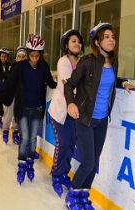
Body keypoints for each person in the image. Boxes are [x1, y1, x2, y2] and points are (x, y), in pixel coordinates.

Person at [64, 22, 135, 210]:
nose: (111, 40)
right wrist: (70, 103)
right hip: (85, 118)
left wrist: (124, 82)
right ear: (96, 42)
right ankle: (73, 194)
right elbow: (69, 85)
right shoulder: (86, 62)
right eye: (106, 37)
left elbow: (109, 80)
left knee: (94, 163)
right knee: (88, 162)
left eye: (113, 36)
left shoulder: (114, 61)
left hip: (102, 120)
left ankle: (83, 195)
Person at [0, 34, 57, 185]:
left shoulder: (44, 67)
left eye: (37, 55)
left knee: (32, 139)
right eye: (31, 55)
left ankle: (30, 163)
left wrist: (62, 83)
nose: (34, 58)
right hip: (24, 109)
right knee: (25, 138)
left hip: (37, 108)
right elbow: (9, 83)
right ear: (27, 53)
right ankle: (21, 164)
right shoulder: (20, 67)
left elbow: (51, 83)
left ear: (41, 54)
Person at [48, 29, 84, 197]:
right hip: (60, 112)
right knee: (62, 143)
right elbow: (71, 83)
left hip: (75, 113)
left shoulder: (84, 62)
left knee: (70, 145)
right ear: (66, 45)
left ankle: (64, 173)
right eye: (73, 41)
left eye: (79, 41)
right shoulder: (63, 61)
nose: (77, 44)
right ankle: (56, 174)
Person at [2, 46, 27, 144]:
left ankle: (15, 134)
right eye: (19, 56)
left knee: (17, 116)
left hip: (20, 97)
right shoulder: (13, 67)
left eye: (23, 57)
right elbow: (8, 82)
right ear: (16, 58)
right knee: (8, 116)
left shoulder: (28, 69)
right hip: (11, 96)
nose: (20, 58)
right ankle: (5, 131)